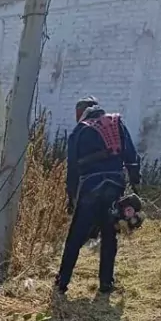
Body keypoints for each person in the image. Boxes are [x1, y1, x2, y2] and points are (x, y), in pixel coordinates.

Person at [55, 95, 141, 296]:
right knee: (109, 234)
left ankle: (62, 281)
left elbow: (73, 170)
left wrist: (71, 197)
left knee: (76, 236)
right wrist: (135, 182)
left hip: (90, 187)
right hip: (114, 185)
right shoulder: (116, 122)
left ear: (80, 112)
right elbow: (132, 156)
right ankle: (106, 283)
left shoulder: (80, 130)